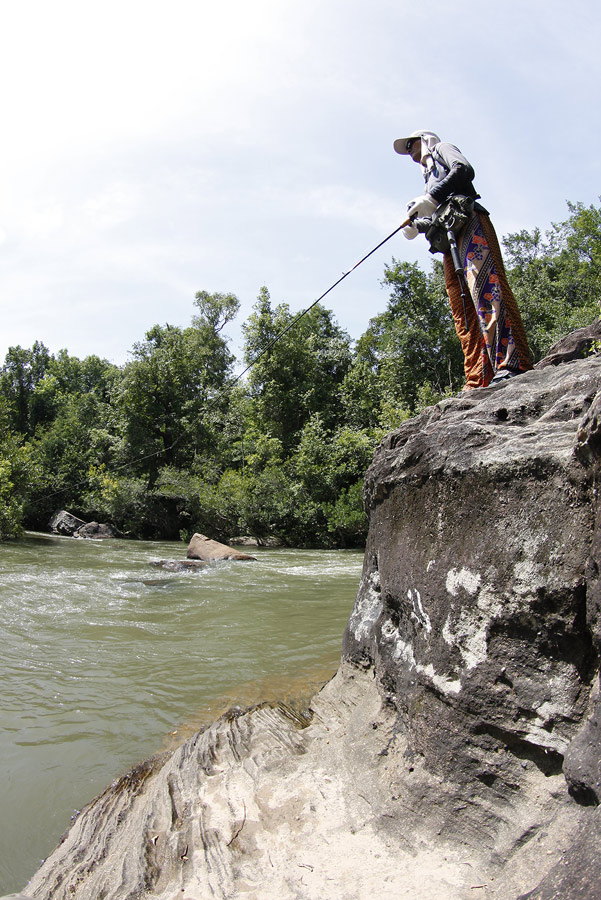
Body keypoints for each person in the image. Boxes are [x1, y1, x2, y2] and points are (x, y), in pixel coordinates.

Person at [394, 130, 532, 391]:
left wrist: (432, 197)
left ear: (423, 140)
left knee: (487, 289)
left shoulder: (443, 149)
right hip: (449, 240)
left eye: (411, 144)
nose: (410, 152)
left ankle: (510, 363)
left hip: (470, 223)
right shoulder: (427, 179)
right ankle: (478, 377)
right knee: (462, 309)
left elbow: (464, 170)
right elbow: (438, 212)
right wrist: (417, 225)